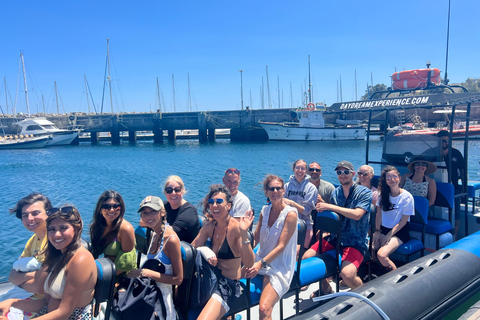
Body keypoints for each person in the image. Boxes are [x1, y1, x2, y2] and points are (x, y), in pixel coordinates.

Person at [0, 206, 97, 319]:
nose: (57, 234)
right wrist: (11, 302)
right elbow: (45, 301)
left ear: (77, 227)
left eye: (63, 228)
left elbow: (64, 312)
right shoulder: (57, 255)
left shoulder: (80, 260)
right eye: (52, 229)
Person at [304, 160, 372, 296]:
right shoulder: (336, 193)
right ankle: (326, 288)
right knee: (307, 258)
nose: (343, 175)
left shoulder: (364, 193)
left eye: (346, 172)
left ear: (353, 174)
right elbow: (337, 215)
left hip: (355, 242)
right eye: (339, 172)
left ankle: (363, 294)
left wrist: (329, 206)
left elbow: (357, 215)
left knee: (347, 274)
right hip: (336, 238)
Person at [192, 185, 255, 320]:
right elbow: (193, 248)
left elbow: (249, 263)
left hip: (228, 286)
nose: (214, 205)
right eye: (211, 202)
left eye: (219, 202)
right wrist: (205, 251)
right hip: (209, 279)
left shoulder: (235, 229)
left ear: (228, 206)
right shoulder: (209, 226)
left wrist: (244, 234)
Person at [245, 175, 298, 320]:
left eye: (278, 188)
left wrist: (259, 265)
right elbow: (255, 238)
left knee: (264, 309)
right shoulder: (265, 211)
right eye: (271, 189)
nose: (275, 191)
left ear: (283, 190)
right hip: (260, 258)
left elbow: (281, 246)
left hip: (278, 266)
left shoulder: (291, 214)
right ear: (266, 192)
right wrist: (245, 258)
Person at [127, 196, 183, 320]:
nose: (148, 217)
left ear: (162, 212)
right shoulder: (154, 234)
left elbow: (178, 279)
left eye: (153, 211)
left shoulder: (171, 240)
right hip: (151, 299)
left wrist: (147, 273)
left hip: (164, 305)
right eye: (145, 213)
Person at [8, 193, 52, 295]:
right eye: (25, 215)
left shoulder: (54, 240)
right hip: (30, 295)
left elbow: (39, 288)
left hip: (45, 302)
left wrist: (20, 282)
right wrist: (30, 276)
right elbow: (12, 276)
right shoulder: (33, 240)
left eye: (35, 213)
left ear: (49, 213)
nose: (30, 219)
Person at [373, 166, 414, 272]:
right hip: (383, 228)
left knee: (381, 255)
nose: (392, 179)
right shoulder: (382, 195)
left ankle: (395, 275)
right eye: (388, 177)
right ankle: (381, 270)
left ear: (399, 178)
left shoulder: (407, 197)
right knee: (371, 249)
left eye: (394, 176)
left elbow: (403, 221)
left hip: (399, 231)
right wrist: (377, 231)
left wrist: (389, 235)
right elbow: (379, 215)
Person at [90, 190, 136, 277]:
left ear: (121, 209)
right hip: (105, 270)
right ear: (100, 210)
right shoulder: (98, 227)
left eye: (116, 206)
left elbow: (125, 265)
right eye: (106, 206)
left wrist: (98, 278)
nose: (111, 210)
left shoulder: (125, 229)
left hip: (122, 276)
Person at [283, 159, 318, 248]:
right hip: (288, 224)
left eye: (303, 168)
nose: (300, 170)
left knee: (298, 254)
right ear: (293, 169)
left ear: (306, 171)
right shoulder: (286, 186)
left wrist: (292, 203)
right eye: (297, 168)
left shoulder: (311, 188)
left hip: (304, 226)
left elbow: (306, 211)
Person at [437, 130, 465, 238]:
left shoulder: (456, 153)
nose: (444, 143)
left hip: (454, 189)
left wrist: (462, 187)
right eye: (442, 141)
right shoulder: (431, 153)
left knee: (456, 218)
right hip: (437, 189)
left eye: (446, 141)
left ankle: (454, 239)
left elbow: (462, 171)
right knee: (439, 216)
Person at [163, 175, 201, 243]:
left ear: (183, 191)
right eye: (169, 190)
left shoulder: (189, 211)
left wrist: (152, 222)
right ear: (165, 193)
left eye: (177, 190)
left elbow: (171, 234)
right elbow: (143, 221)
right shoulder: (164, 206)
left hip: (184, 251)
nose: (173, 193)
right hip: (166, 247)